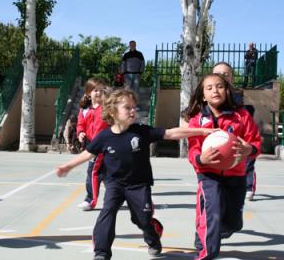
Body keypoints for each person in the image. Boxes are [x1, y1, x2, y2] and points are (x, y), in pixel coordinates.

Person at [56, 89, 216, 260]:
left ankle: (153, 237)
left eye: (134, 107)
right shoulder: (104, 137)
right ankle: (101, 253)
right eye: (127, 108)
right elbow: (88, 153)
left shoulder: (141, 131)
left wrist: (202, 131)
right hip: (114, 183)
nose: (133, 111)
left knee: (142, 220)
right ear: (112, 111)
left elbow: (171, 133)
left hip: (139, 184)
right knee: (107, 212)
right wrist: (68, 166)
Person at [186, 73, 261, 260]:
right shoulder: (197, 120)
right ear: (203, 95)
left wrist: (248, 149)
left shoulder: (241, 116)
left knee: (233, 223)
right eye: (209, 88)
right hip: (208, 175)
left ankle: (212, 232)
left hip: (236, 175)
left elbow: (255, 142)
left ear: (227, 91)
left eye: (219, 86)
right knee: (213, 213)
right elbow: (193, 149)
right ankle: (206, 252)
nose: (215, 90)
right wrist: (201, 159)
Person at [212, 62, 258, 202]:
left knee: (247, 161)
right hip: (219, 138)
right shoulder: (207, 93)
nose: (223, 77)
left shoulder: (236, 95)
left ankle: (249, 187)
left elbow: (241, 114)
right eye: (219, 74)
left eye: (227, 74)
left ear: (231, 78)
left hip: (238, 134)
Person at [76, 78, 109, 211]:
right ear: (89, 93)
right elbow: (80, 124)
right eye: (96, 90)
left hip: (103, 146)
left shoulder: (107, 109)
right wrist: (80, 133)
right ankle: (122, 196)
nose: (99, 93)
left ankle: (90, 200)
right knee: (108, 175)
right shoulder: (84, 110)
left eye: (101, 90)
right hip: (91, 145)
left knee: (93, 172)